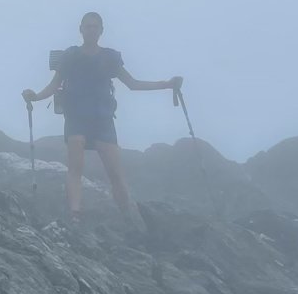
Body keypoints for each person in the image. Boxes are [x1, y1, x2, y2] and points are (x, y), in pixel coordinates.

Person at [23, 12, 181, 223]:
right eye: (88, 26)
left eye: (95, 26)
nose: (91, 30)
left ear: (101, 30)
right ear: (81, 29)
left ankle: (128, 216)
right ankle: (75, 215)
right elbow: (54, 85)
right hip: (77, 114)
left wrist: (167, 84)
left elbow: (132, 84)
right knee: (76, 166)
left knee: (115, 172)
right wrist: (35, 97)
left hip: (101, 117)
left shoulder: (109, 57)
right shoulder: (71, 56)